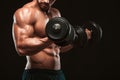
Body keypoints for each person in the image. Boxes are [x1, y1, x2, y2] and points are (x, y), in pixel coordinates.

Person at [12, 0, 91, 80]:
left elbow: (58, 48)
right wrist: (53, 37)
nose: (46, 1)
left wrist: (79, 39)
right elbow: (21, 48)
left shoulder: (56, 13)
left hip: (57, 74)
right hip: (37, 74)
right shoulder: (25, 13)